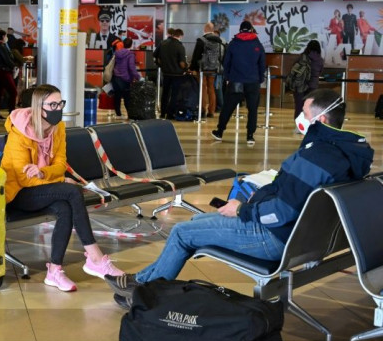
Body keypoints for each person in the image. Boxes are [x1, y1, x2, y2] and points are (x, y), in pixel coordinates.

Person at [106, 89, 373, 306]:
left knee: (182, 233)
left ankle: (143, 294)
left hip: (273, 236)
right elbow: (298, 195)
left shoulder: (315, 157)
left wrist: (242, 210)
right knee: (194, 227)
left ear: (322, 120)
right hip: (309, 240)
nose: (299, 117)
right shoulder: (347, 155)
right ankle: (140, 282)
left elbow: (282, 212)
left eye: (303, 113)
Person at [2, 84, 125, 292]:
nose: (58, 108)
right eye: (52, 104)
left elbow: (60, 164)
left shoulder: (58, 129)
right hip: (19, 193)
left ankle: (55, 270)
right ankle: (95, 257)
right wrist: (56, 180)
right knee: (72, 191)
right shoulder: (19, 134)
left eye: (60, 103)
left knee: (64, 206)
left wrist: (44, 173)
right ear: (38, 108)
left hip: (43, 185)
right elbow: (24, 179)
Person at [211, 21, 265, 145]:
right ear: (251, 29)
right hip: (253, 81)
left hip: (236, 81)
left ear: (240, 30)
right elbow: (262, 63)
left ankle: (219, 132)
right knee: (252, 109)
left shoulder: (233, 44)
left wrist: (228, 77)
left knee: (228, 108)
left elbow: (226, 62)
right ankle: (250, 136)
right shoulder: (257, 44)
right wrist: (260, 78)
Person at [190, 22, 224, 118]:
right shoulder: (219, 41)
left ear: (205, 29)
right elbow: (221, 55)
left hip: (202, 69)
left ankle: (203, 110)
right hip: (213, 68)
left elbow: (196, 55)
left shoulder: (201, 40)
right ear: (212, 30)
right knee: (211, 89)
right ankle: (211, 111)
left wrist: (192, 68)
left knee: (203, 89)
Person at [156, 28, 187, 119]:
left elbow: (157, 58)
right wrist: (186, 68)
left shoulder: (163, 44)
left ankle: (162, 113)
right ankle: (170, 114)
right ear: (180, 36)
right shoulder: (180, 46)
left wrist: (163, 66)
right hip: (177, 75)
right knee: (174, 95)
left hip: (166, 73)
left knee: (165, 93)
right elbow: (182, 63)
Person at [292, 40, 324, 121]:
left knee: (299, 106)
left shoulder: (302, 57)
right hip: (313, 86)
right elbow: (320, 71)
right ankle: (309, 124)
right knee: (310, 107)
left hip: (300, 85)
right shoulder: (320, 60)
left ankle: (298, 125)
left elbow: (294, 69)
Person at [0, 29, 18, 120]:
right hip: (4, 71)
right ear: (3, 37)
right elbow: (7, 59)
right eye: (6, 36)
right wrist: (14, 66)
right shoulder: (1, 46)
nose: (6, 38)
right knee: (13, 92)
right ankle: (12, 113)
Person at [111, 37, 139, 118]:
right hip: (125, 78)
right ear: (131, 45)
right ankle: (130, 115)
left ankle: (118, 114)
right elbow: (131, 67)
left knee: (117, 97)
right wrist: (137, 77)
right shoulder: (130, 54)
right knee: (127, 98)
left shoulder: (117, 53)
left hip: (116, 77)